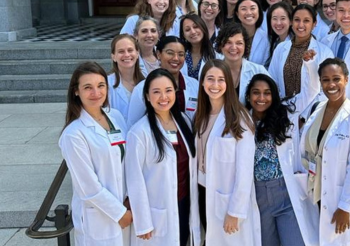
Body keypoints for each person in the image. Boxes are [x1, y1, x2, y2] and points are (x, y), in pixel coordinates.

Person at [299, 58, 350, 246]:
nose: (331, 85)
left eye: (336, 79)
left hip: (337, 198)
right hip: (314, 193)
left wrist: (345, 207)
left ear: (346, 79)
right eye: (325, 80)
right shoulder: (316, 110)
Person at [59, 62, 131, 246]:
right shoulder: (73, 134)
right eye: (88, 87)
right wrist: (119, 213)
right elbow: (87, 186)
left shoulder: (115, 116)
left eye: (101, 86)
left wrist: (129, 200)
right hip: (99, 216)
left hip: (125, 208)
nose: (96, 93)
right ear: (76, 91)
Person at [126, 69, 201, 246]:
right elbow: (134, 180)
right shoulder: (139, 133)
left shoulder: (183, 121)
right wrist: (143, 222)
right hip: (157, 212)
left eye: (168, 90)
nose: (163, 97)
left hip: (184, 205)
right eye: (156, 92)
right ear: (146, 96)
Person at [246, 74, 319, 246]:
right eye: (256, 93)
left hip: (286, 192)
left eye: (267, 93)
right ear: (248, 96)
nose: (261, 98)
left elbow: (312, 90)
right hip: (257, 196)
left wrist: (310, 65)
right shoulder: (242, 120)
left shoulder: (285, 114)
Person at [194, 59, 261, 246]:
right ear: (202, 82)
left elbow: (245, 171)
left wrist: (235, 211)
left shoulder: (239, 119)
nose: (215, 85)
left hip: (228, 200)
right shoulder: (200, 117)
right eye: (210, 79)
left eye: (221, 80)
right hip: (202, 193)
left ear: (228, 84)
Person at [268, 4, 333, 130]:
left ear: (314, 24)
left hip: (310, 118)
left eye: (306, 21)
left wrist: (303, 116)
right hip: (282, 115)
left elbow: (323, 90)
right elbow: (273, 82)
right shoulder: (281, 48)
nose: (301, 25)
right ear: (291, 22)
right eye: (297, 20)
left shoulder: (324, 52)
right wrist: (281, 109)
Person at [127, 36, 199, 128]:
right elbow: (133, 125)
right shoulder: (141, 88)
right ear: (158, 54)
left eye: (181, 54)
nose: (176, 58)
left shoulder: (194, 85)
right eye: (170, 53)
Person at [215, 23, 269, 104]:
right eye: (228, 42)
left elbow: (272, 96)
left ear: (245, 46)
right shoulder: (213, 70)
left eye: (239, 43)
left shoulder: (258, 70)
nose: (233, 47)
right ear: (220, 46)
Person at [108, 34, 145, 122]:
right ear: (113, 57)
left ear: (137, 53)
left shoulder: (147, 81)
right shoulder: (106, 83)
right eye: (121, 51)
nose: (126, 55)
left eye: (130, 50)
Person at [233, 0, 270, 66]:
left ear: (259, 11)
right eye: (243, 9)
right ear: (237, 14)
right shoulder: (229, 35)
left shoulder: (266, 38)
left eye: (252, 8)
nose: (249, 12)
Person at [180, 14, 217, 79]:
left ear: (203, 28)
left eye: (196, 27)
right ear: (183, 35)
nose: (193, 32)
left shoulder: (216, 53)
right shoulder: (181, 54)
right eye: (187, 30)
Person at [266, 1, 293, 66]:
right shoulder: (274, 41)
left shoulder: (294, 44)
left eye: (283, 18)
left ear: (291, 21)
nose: (278, 23)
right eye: (274, 18)